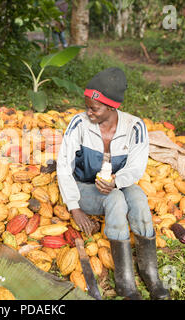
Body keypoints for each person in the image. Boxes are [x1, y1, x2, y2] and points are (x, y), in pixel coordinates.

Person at [56, 67, 170, 300]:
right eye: (87, 106)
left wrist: (116, 180)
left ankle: (150, 273)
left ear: (112, 106)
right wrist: (74, 207)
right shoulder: (78, 124)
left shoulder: (134, 127)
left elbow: (137, 168)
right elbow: (63, 167)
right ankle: (125, 281)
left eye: (94, 108)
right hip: (84, 187)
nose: (88, 112)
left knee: (138, 197)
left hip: (118, 182)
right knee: (116, 199)